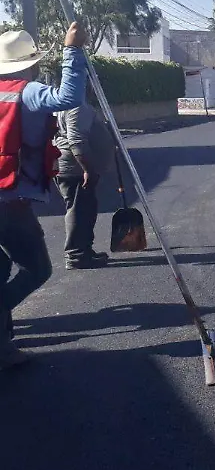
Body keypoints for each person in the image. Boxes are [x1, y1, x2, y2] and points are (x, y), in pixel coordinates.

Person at [0, 22, 88, 370]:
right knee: (37, 269)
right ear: (28, 63)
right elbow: (68, 98)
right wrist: (73, 50)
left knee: (3, 266)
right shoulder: (29, 91)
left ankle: (4, 349)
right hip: (9, 202)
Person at [53, 95, 114, 270]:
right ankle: (76, 255)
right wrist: (87, 168)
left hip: (70, 165)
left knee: (85, 208)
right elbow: (76, 140)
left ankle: (84, 250)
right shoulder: (76, 106)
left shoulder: (63, 103)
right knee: (78, 209)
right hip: (75, 167)